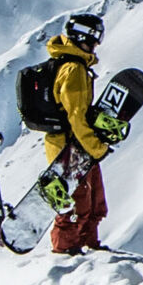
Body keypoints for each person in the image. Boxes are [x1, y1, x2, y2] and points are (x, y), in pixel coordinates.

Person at [31, 13, 112, 254]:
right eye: (94, 36)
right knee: (76, 202)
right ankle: (66, 250)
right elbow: (76, 115)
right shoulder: (73, 69)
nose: (97, 43)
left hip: (78, 144)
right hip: (68, 145)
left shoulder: (78, 66)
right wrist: (96, 147)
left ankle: (88, 243)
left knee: (94, 200)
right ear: (81, 35)